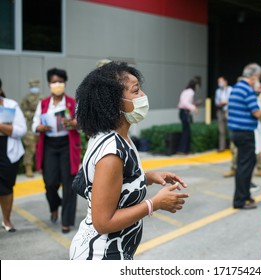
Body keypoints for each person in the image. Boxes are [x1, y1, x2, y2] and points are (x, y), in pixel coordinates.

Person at [69, 61, 189, 260]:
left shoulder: (117, 136)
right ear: (114, 101)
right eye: (136, 91)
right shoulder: (111, 152)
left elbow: (118, 182)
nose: (143, 96)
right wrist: (154, 203)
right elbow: (103, 222)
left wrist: (148, 177)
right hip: (100, 255)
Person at [32, 68, 81, 234]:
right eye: (54, 82)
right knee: (50, 182)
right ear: (49, 84)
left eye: (60, 81)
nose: (57, 84)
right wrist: (39, 127)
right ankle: (54, 206)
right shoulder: (43, 103)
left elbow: (81, 125)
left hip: (67, 144)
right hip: (49, 144)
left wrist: (74, 123)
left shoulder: (72, 102)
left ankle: (66, 221)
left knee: (69, 184)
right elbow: (34, 124)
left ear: (64, 83)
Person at [227, 63, 261, 209]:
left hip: (236, 133)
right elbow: (256, 113)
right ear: (253, 76)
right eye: (257, 77)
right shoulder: (247, 90)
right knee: (245, 167)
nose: (258, 80)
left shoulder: (236, 88)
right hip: (245, 133)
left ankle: (245, 196)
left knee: (242, 165)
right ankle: (240, 200)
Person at [0, 78, 27, 232]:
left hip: (7, 150)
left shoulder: (11, 105)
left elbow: (22, 130)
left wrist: (3, 127)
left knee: (6, 187)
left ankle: (7, 220)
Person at [20, 80, 45, 177]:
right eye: (33, 86)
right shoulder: (26, 98)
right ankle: (28, 167)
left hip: (40, 126)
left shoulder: (42, 98)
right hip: (30, 126)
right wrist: (33, 114)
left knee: (40, 146)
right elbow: (23, 111)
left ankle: (40, 167)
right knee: (30, 147)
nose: (35, 88)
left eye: (36, 86)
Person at [176, 77, 201, 154]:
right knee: (186, 132)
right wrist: (194, 108)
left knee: (186, 131)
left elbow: (185, 102)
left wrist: (194, 104)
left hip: (182, 112)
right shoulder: (191, 92)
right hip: (185, 112)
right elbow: (185, 103)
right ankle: (184, 150)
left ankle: (184, 150)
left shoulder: (185, 91)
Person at [214, 76, 232, 152]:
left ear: (225, 82)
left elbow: (232, 99)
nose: (220, 83)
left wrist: (226, 102)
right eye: (219, 82)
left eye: (221, 81)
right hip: (220, 111)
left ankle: (232, 147)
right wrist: (220, 103)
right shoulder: (218, 91)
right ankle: (222, 147)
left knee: (230, 129)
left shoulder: (230, 89)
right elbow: (216, 102)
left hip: (229, 110)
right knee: (221, 131)